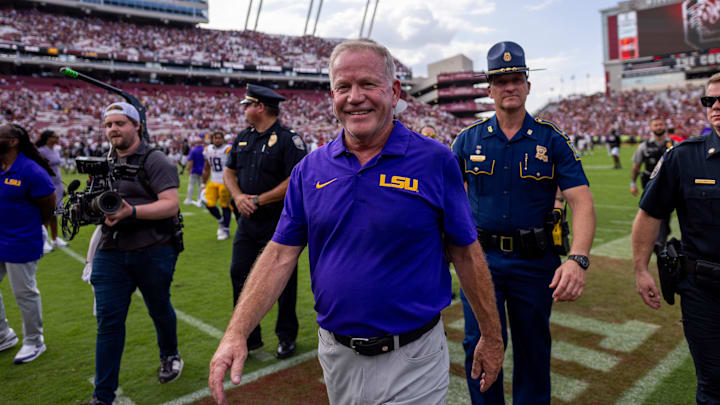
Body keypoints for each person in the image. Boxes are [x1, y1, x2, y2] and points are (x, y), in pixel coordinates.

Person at [209, 40, 504, 405]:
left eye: (368, 84)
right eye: (343, 87)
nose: (355, 97)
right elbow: (279, 255)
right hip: (337, 357)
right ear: (331, 95)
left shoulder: (435, 161)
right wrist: (237, 332)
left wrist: (492, 336)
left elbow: (466, 252)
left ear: (394, 91)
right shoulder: (308, 170)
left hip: (414, 357)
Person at [452, 41, 596, 405]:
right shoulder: (467, 141)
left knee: (533, 350)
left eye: (516, 78)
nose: (509, 86)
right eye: (500, 80)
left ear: (528, 84)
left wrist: (578, 259)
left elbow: (581, 202)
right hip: (481, 261)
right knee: (480, 345)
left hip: (535, 263)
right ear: (489, 89)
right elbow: (447, 202)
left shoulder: (552, 139)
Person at [84, 102, 183, 405]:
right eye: (108, 125)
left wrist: (132, 211)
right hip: (111, 250)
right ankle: (103, 396)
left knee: (158, 307)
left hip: (153, 249)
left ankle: (170, 354)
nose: (113, 129)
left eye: (119, 123)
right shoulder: (104, 162)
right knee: (109, 321)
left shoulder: (155, 160)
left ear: (136, 125)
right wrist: (87, 208)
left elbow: (171, 204)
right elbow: (95, 202)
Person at [632, 72, 720, 405]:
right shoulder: (683, 157)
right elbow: (649, 214)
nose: (715, 107)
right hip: (704, 290)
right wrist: (641, 269)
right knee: (713, 386)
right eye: (709, 101)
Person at [222, 83, 305, 360]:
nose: (243, 110)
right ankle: (248, 336)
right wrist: (238, 197)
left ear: (260, 107)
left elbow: (295, 179)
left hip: (279, 221)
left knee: (283, 280)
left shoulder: (287, 139)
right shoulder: (244, 137)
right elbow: (229, 172)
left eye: (247, 105)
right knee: (239, 273)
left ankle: (286, 335)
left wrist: (259, 199)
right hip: (248, 221)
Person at [0, 123, 55, 364]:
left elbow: (48, 205)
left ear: (13, 141)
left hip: (21, 240)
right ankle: (3, 335)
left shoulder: (31, 171)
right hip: (1, 237)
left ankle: (35, 341)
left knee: (24, 293)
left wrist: (33, 227)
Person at [630, 117, 676, 254]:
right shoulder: (644, 146)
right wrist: (632, 183)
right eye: (656, 125)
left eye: (661, 124)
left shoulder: (673, 144)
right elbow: (636, 166)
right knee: (649, 212)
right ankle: (656, 241)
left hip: (669, 185)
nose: (659, 127)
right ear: (651, 128)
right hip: (650, 185)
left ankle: (660, 240)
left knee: (664, 214)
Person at [36, 129, 69, 252]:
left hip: (57, 184)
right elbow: (38, 169)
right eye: (54, 136)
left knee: (55, 213)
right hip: (46, 184)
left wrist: (62, 185)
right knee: (46, 214)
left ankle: (55, 239)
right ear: (47, 138)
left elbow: (56, 169)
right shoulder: (41, 151)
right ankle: (43, 241)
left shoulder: (55, 150)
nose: (57, 138)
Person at [202, 130, 233, 240]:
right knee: (207, 203)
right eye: (216, 138)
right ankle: (221, 221)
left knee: (225, 206)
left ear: (223, 139)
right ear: (212, 139)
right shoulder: (208, 149)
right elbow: (206, 167)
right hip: (213, 181)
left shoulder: (228, 149)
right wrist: (202, 183)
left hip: (224, 182)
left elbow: (234, 166)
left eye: (220, 138)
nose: (218, 140)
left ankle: (226, 229)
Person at [185, 136, 204, 206]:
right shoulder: (204, 149)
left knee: (191, 185)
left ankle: (189, 199)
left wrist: (188, 169)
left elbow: (190, 161)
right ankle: (199, 199)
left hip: (194, 170)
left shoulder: (193, 150)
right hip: (202, 170)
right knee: (200, 186)